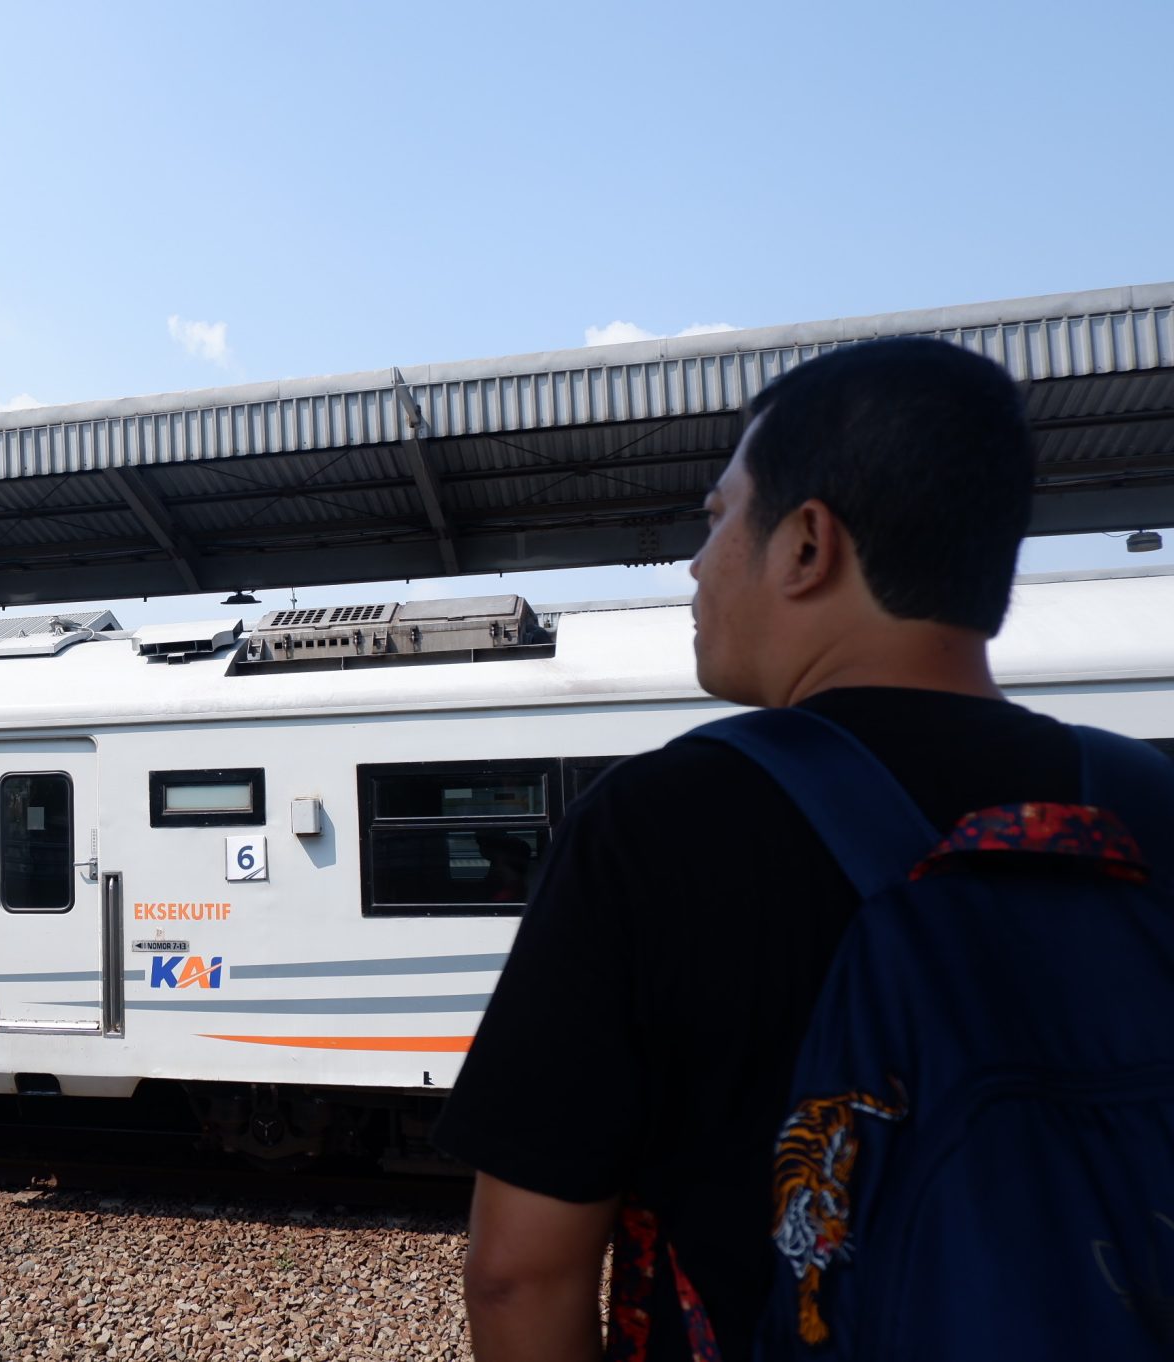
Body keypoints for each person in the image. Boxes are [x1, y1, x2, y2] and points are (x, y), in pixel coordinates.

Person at [434, 337, 1067, 1362]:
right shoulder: (1147, 806)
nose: (695, 561)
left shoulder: (654, 825)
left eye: (718, 515)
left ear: (806, 544)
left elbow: (519, 1276)